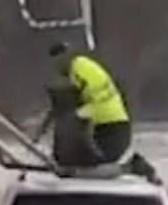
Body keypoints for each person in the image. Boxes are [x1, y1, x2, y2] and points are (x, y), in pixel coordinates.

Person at [47, 42, 161, 183]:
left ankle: (133, 167)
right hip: (103, 127)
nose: (57, 68)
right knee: (82, 165)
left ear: (66, 57)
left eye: (58, 62)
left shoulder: (81, 68)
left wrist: (77, 115)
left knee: (91, 169)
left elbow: (98, 100)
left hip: (114, 128)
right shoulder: (76, 71)